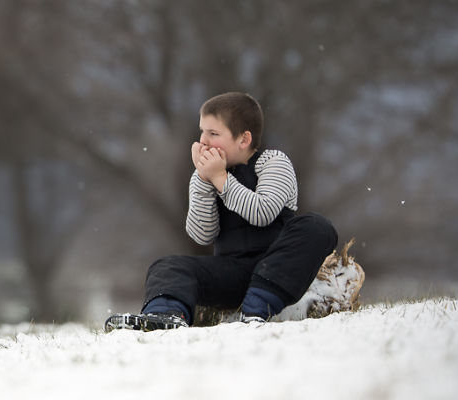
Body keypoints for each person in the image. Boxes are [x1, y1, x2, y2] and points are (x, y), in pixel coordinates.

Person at [105, 92, 338, 331]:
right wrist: (205, 181)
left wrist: (221, 179)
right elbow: (201, 235)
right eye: (202, 131)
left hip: (278, 273)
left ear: (244, 139)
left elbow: (263, 212)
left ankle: (256, 308)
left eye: (213, 133)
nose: (203, 141)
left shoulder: (273, 162)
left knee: (317, 226)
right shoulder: (206, 176)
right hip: (233, 273)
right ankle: (165, 315)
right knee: (167, 266)